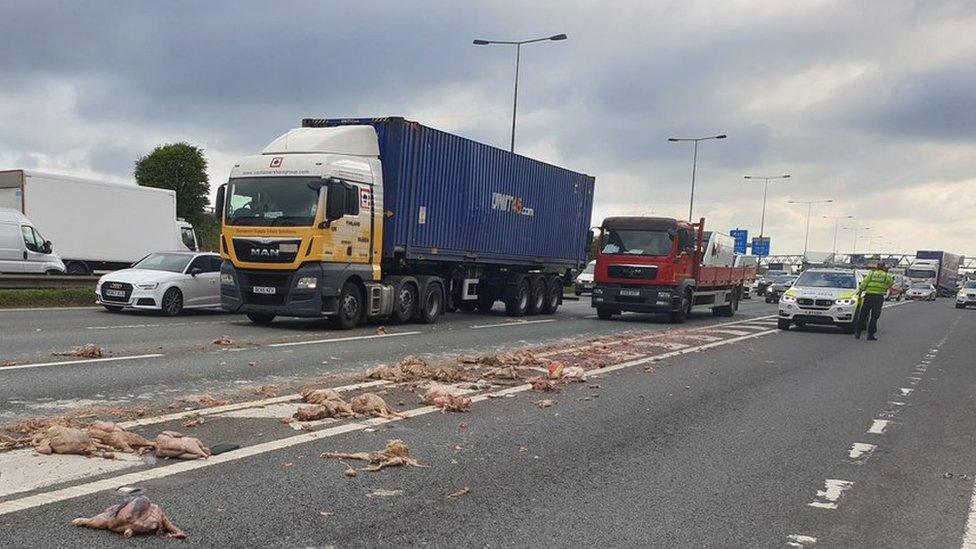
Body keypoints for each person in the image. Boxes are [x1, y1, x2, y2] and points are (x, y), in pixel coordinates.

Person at [855, 262, 895, 340]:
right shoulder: (886, 275)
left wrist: (860, 291)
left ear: (876, 267)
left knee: (863, 315)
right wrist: (885, 288)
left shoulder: (871, 274)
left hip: (869, 296)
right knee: (874, 317)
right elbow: (891, 283)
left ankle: (858, 333)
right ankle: (870, 335)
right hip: (878, 297)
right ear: (883, 267)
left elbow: (864, 283)